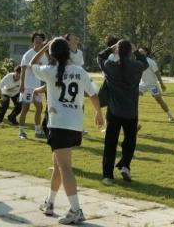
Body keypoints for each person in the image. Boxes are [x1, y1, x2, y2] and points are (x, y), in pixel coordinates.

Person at [31, 37, 103, 225]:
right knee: (58, 165)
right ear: (69, 52)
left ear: (52, 54)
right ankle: (50, 203)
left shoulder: (49, 71)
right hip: (75, 126)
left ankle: (76, 210)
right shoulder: (80, 71)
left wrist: (44, 47)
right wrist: (98, 113)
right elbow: (93, 94)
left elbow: (32, 64)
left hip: (59, 125)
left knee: (65, 168)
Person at [98, 39, 148, 185]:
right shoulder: (137, 66)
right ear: (130, 51)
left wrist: (110, 49)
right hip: (131, 110)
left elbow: (100, 57)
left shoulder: (111, 66)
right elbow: (145, 63)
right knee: (130, 140)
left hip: (114, 110)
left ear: (118, 51)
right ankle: (125, 165)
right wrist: (137, 51)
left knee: (110, 143)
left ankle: (107, 175)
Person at [19, 32, 48, 140]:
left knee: (39, 108)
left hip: (37, 87)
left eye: (40, 39)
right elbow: (23, 70)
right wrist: (22, 85)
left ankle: (37, 131)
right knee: (25, 108)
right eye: (36, 38)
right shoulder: (28, 54)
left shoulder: (44, 55)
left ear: (43, 41)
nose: (38, 40)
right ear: (33, 41)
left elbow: (45, 71)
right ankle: (21, 131)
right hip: (27, 86)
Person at [138, 46, 174, 123]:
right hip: (142, 84)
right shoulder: (137, 61)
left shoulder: (151, 62)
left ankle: (170, 116)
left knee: (159, 100)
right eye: (139, 52)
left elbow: (157, 73)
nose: (140, 53)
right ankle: (132, 116)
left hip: (152, 85)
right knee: (132, 97)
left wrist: (162, 84)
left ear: (146, 52)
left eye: (142, 51)